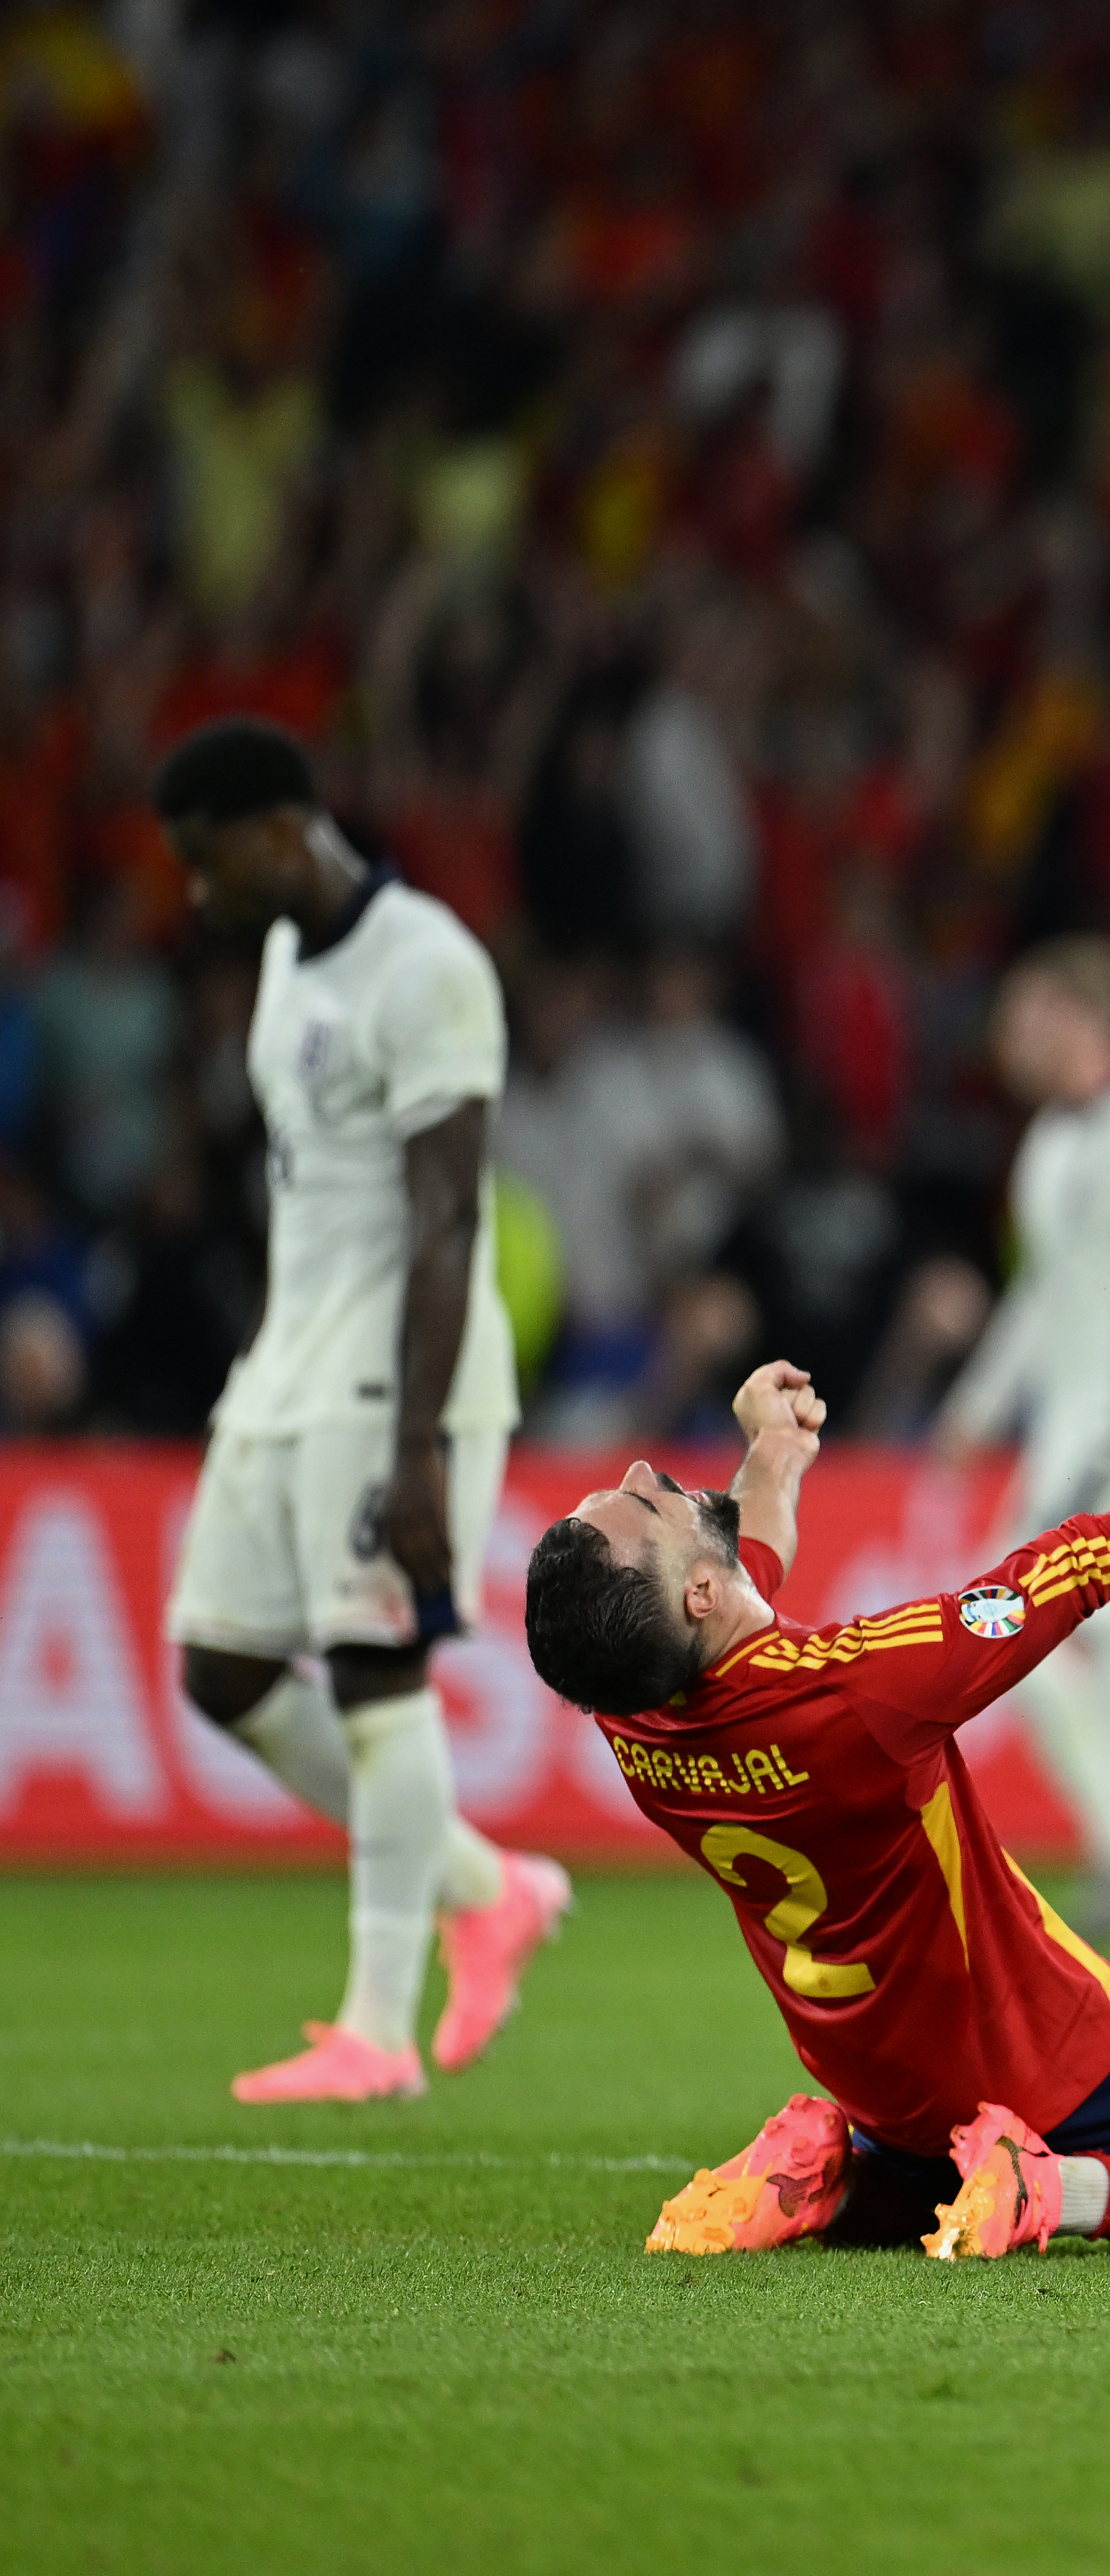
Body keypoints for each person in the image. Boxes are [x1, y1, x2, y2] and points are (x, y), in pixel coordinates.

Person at [521, 1315, 1110, 2262]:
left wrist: (773, 1453)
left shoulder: (630, 1708)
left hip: (878, 2081)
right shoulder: (866, 1693)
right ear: (695, 1595)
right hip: (1033, 2050)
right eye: (640, 1505)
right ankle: (1048, 2187)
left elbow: (738, 1578)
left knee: (918, 2162)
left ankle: (834, 2177)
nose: (645, 1470)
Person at [151, 717, 571, 2104]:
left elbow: (449, 1218)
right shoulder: (281, 959)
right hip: (289, 1360)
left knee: (377, 1669)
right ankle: (483, 1885)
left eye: (209, 866)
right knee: (220, 1665)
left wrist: (418, 1450)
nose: (199, 898)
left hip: (398, 1370)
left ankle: (377, 2033)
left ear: (281, 833)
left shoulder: (431, 967)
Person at [936, 937, 1110, 1947]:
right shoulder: (1053, 1147)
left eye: (1026, 1017)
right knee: (1050, 1648)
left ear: (1077, 1017)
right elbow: (1043, 1296)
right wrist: (979, 1403)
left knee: (1092, 1647)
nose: (1010, 1040)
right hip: (1066, 1443)